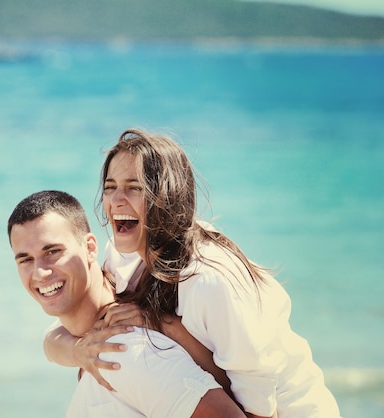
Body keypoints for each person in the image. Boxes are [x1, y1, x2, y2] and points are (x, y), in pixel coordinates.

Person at [44, 129, 341, 418]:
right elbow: (66, 332)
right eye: (110, 187)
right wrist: (80, 352)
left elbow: (256, 411)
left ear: (166, 195)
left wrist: (165, 325)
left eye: (134, 188)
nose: (116, 200)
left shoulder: (208, 279)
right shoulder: (124, 255)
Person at [8, 190, 245, 418]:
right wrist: (75, 352)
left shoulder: (127, 352)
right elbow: (51, 340)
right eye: (25, 259)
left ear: (90, 248)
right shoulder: (91, 345)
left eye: (52, 252)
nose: (40, 272)